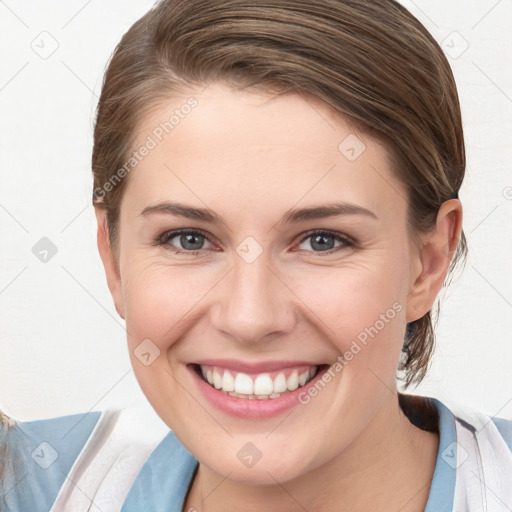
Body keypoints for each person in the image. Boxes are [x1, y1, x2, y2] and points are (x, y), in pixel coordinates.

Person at [2, 0, 512, 510]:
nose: (250, 318)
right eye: (189, 239)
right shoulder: (26, 486)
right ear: (113, 259)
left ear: (428, 262)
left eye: (322, 240)